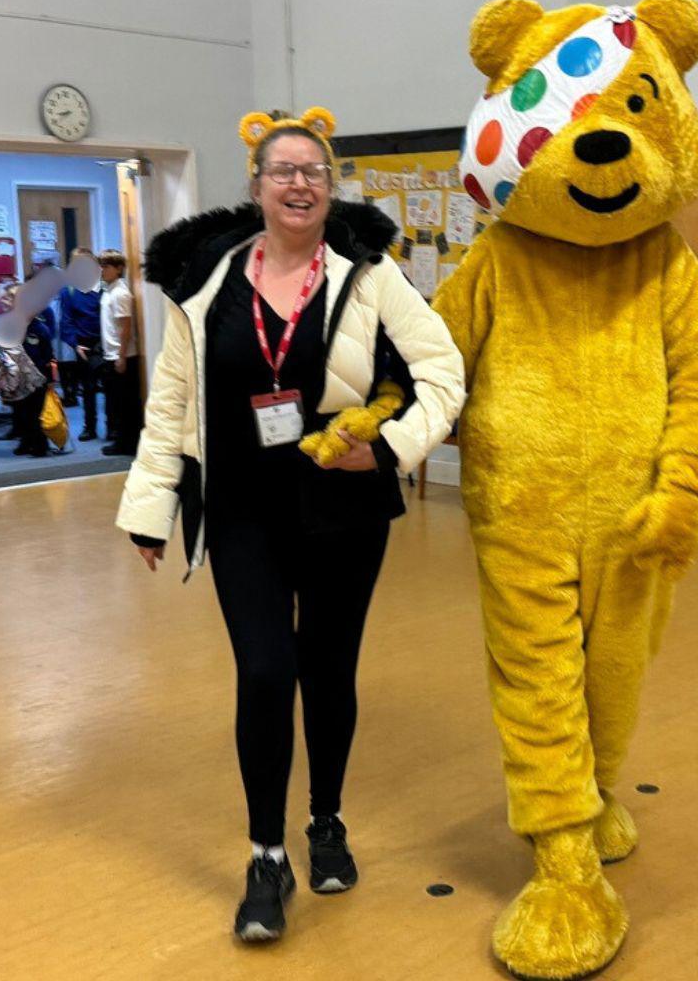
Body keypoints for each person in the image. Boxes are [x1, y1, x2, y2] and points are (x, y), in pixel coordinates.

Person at [115, 107, 465, 943]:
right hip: (241, 508)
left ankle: (327, 822)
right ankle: (267, 855)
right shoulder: (203, 288)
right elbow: (170, 404)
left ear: (329, 187)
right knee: (266, 671)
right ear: (257, 186)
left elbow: (443, 374)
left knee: (329, 671)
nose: (300, 183)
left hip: (344, 509)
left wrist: (385, 452)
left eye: (314, 171)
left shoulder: (371, 275)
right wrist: (150, 505)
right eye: (284, 170)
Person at [2, 280, 57, 458]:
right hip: (17, 376)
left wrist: (50, 381)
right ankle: (26, 442)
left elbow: (48, 356)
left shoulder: (40, 329)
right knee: (22, 412)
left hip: (37, 378)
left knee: (35, 414)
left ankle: (40, 445)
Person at [55, 247, 104, 441]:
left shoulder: (102, 286)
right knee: (89, 388)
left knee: (110, 387)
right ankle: (89, 426)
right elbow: (66, 321)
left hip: (105, 342)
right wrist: (75, 344)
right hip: (83, 346)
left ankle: (114, 426)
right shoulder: (68, 291)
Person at [97, 251, 142, 457]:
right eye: (101, 266)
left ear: (119, 268)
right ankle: (121, 440)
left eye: (106, 266)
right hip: (111, 354)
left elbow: (125, 327)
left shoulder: (120, 293)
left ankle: (128, 444)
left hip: (121, 355)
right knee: (116, 403)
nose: (102, 270)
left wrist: (122, 356)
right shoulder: (108, 291)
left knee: (125, 404)